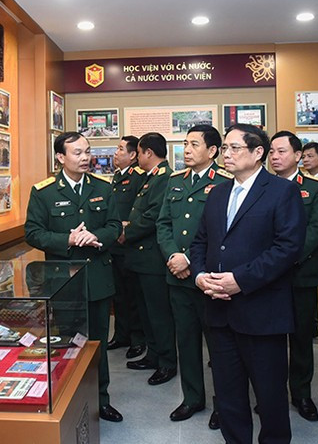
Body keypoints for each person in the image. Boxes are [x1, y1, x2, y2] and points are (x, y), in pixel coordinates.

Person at [190, 123, 306, 444]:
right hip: (218, 311)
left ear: (258, 153)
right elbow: (201, 242)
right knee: (228, 396)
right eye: (224, 148)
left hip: (262, 312)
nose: (226, 154)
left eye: (234, 148)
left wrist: (239, 280)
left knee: (270, 398)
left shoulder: (282, 191)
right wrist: (200, 276)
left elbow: (287, 248)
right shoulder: (217, 193)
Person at [24, 131, 124, 422]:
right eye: (77, 153)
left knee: (98, 345)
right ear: (60, 157)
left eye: (87, 151)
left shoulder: (104, 187)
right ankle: (70, 401)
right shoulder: (44, 191)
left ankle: (100, 400)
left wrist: (96, 236)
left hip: (98, 278)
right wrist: (67, 240)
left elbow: (115, 225)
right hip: (63, 281)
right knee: (68, 344)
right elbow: (33, 232)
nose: (85, 158)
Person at [156, 124, 231, 427]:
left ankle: (223, 404)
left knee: (220, 347)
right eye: (185, 144)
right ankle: (192, 398)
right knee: (186, 342)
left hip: (210, 279)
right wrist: (174, 255)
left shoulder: (225, 182)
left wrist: (190, 259)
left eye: (194, 145)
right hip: (178, 278)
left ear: (212, 151)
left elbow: (224, 232)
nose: (186, 150)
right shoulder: (175, 182)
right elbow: (163, 224)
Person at [268, 130, 318, 422]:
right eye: (271, 152)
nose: (275, 157)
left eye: (281, 152)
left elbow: (317, 230)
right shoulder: (261, 187)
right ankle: (272, 394)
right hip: (266, 278)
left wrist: (283, 259)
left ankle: (302, 394)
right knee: (270, 340)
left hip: (300, 274)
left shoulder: (315, 188)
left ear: (297, 155)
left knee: (302, 338)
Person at [122, 132, 177, 387]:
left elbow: (154, 216)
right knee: (146, 312)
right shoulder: (151, 178)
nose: (138, 157)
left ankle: (167, 362)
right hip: (141, 259)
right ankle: (154, 355)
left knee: (159, 314)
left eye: (140, 152)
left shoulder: (164, 178)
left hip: (153, 259)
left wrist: (126, 232)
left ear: (147, 153)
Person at [107, 136, 147, 359]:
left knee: (133, 296)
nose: (116, 152)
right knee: (119, 295)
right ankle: (121, 335)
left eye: (121, 149)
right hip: (114, 246)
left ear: (133, 155)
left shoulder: (138, 177)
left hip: (131, 245)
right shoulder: (116, 176)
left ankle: (137, 339)